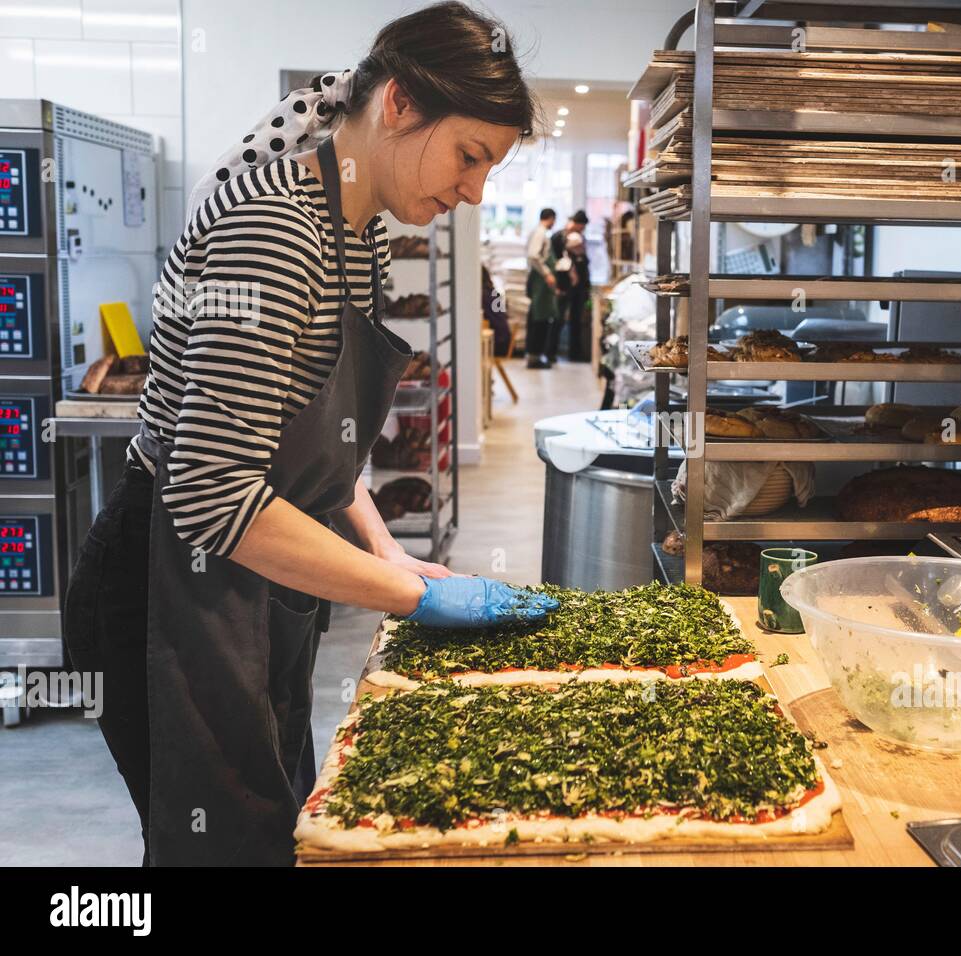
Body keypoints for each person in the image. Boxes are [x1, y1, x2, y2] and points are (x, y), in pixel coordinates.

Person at [60, 2, 557, 867]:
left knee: (272, 828)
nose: (475, 190)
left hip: (252, 584)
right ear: (398, 104)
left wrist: (385, 551)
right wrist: (408, 597)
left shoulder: (354, 229)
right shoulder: (275, 230)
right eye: (470, 155)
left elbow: (318, 438)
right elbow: (215, 495)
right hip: (166, 584)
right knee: (219, 847)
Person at [549, 210, 589, 362]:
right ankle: (551, 352)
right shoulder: (558, 238)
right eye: (581, 226)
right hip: (564, 285)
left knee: (576, 320)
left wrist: (586, 286)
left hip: (578, 287)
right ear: (577, 223)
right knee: (558, 319)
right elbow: (554, 263)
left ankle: (575, 353)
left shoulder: (580, 238)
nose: (581, 230)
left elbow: (584, 263)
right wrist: (557, 286)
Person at [524, 207, 558, 368]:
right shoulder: (541, 233)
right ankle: (534, 357)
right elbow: (533, 255)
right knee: (539, 319)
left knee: (539, 317)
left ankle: (534, 355)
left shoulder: (538, 232)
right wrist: (547, 274)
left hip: (539, 280)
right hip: (540, 281)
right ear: (550, 218)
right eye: (554, 220)